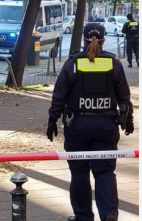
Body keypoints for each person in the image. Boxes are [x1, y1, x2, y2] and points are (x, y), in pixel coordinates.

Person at [46, 23, 134, 221]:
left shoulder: (73, 64)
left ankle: (84, 216)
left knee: (79, 173)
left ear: (84, 40)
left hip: (78, 127)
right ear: (103, 41)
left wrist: (52, 120)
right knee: (105, 172)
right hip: (106, 126)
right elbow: (124, 97)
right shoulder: (114, 64)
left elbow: (59, 95)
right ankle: (109, 214)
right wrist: (128, 120)